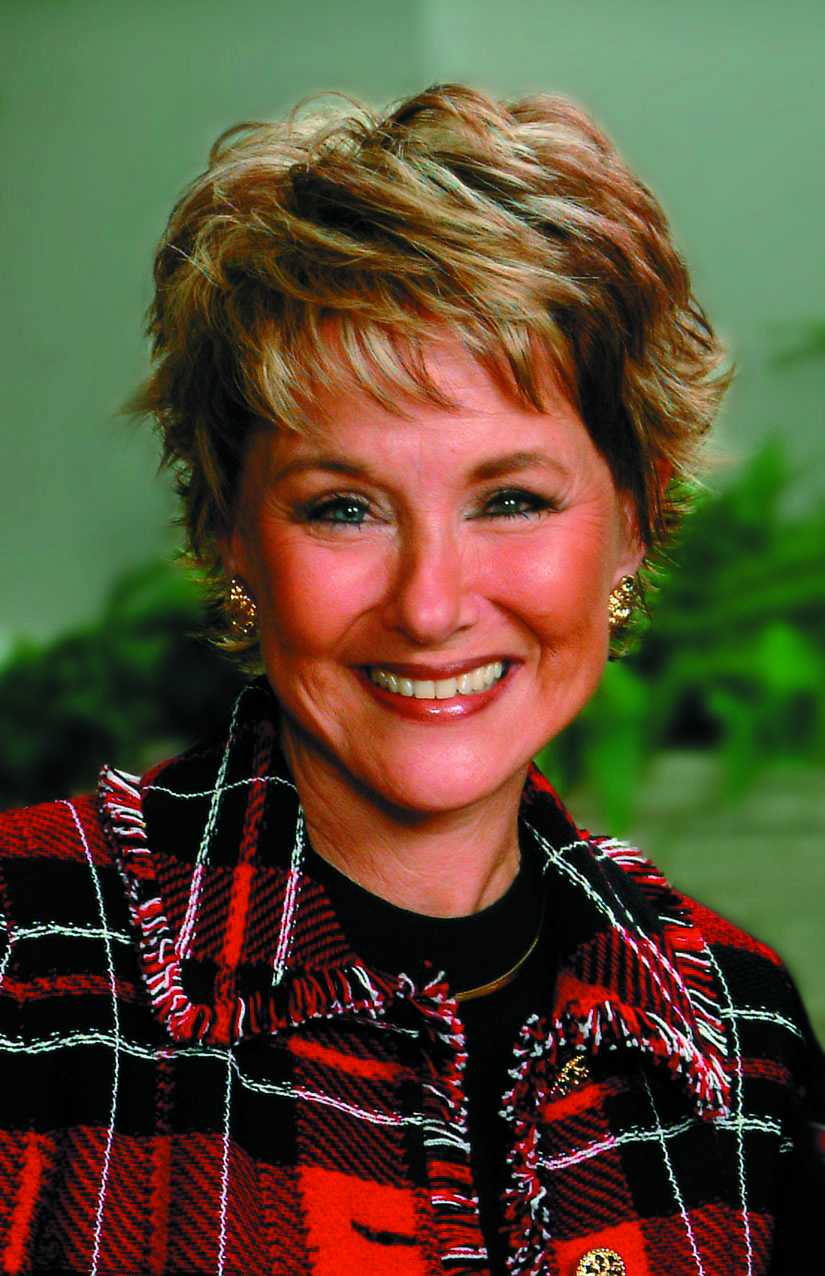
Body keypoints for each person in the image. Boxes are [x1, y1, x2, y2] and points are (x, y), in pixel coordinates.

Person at [0, 84, 822, 1276]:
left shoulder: (745, 1038)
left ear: (633, 525)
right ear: (230, 530)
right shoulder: (25, 955)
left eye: (512, 499)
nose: (431, 605)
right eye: (344, 507)